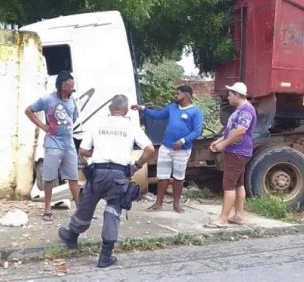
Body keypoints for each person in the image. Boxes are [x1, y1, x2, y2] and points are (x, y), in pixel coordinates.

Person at [58, 95, 155, 268]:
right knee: (112, 211)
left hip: (98, 173)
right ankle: (105, 256)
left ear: (110, 109)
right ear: (126, 111)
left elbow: (83, 150)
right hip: (120, 175)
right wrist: (136, 166)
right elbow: (149, 149)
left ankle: (72, 237)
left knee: (87, 204)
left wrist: (98, 152)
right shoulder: (131, 126)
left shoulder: (97, 124)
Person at [131, 85, 203, 213]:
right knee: (162, 176)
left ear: (186, 95)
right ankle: (158, 203)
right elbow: (157, 115)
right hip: (166, 147)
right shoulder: (172, 108)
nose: (176, 96)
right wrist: (142, 108)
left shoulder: (196, 112)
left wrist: (183, 140)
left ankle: (176, 204)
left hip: (183, 150)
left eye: (178, 94)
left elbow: (197, 131)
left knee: (178, 177)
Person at [25, 71, 80, 222]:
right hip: (52, 145)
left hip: (69, 145)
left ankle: (80, 210)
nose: (73, 89)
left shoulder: (72, 100)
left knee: (73, 178)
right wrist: (43, 126)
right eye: (71, 86)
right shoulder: (47, 100)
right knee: (49, 178)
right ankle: (47, 209)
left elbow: (73, 117)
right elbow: (28, 111)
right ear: (63, 86)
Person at [207, 82, 257, 228]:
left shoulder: (246, 110)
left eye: (230, 94)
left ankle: (223, 218)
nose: (228, 97)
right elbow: (231, 131)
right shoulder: (240, 109)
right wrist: (218, 141)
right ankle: (238, 215)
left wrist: (224, 144)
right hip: (238, 152)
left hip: (237, 152)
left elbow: (240, 131)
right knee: (238, 184)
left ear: (237, 95)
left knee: (228, 185)